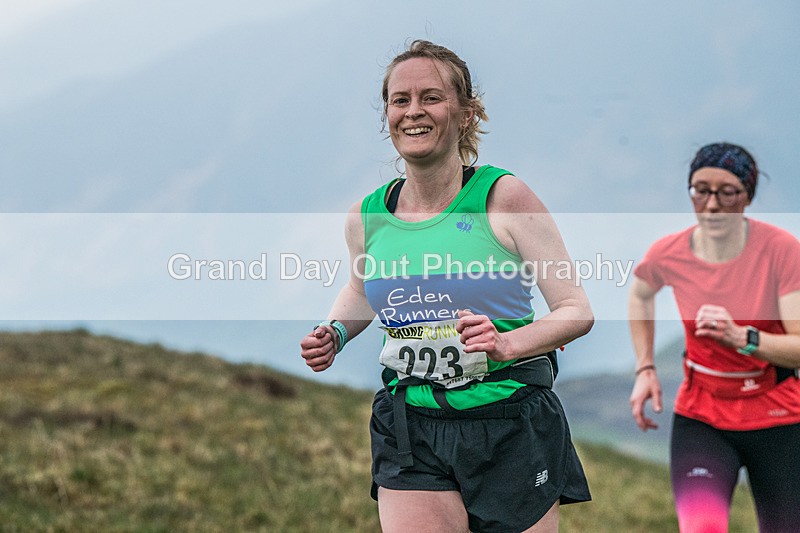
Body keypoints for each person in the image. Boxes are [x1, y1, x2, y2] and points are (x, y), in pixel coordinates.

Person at [300, 40, 593, 532]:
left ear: (465, 112)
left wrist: (506, 344)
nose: (413, 112)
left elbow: (575, 309)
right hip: (410, 425)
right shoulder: (366, 217)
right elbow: (358, 289)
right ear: (387, 114)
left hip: (509, 421)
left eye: (431, 97)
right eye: (400, 100)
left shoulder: (503, 198)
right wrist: (336, 330)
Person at [628, 142, 800, 532]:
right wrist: (646, 368)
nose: (711, 204)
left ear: (748, 197)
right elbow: (640, 296)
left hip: (778, 417)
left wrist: (742, 337)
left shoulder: (782, 252)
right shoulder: (669, 252)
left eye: (727, 192)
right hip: (702, 418)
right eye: (700, 190)